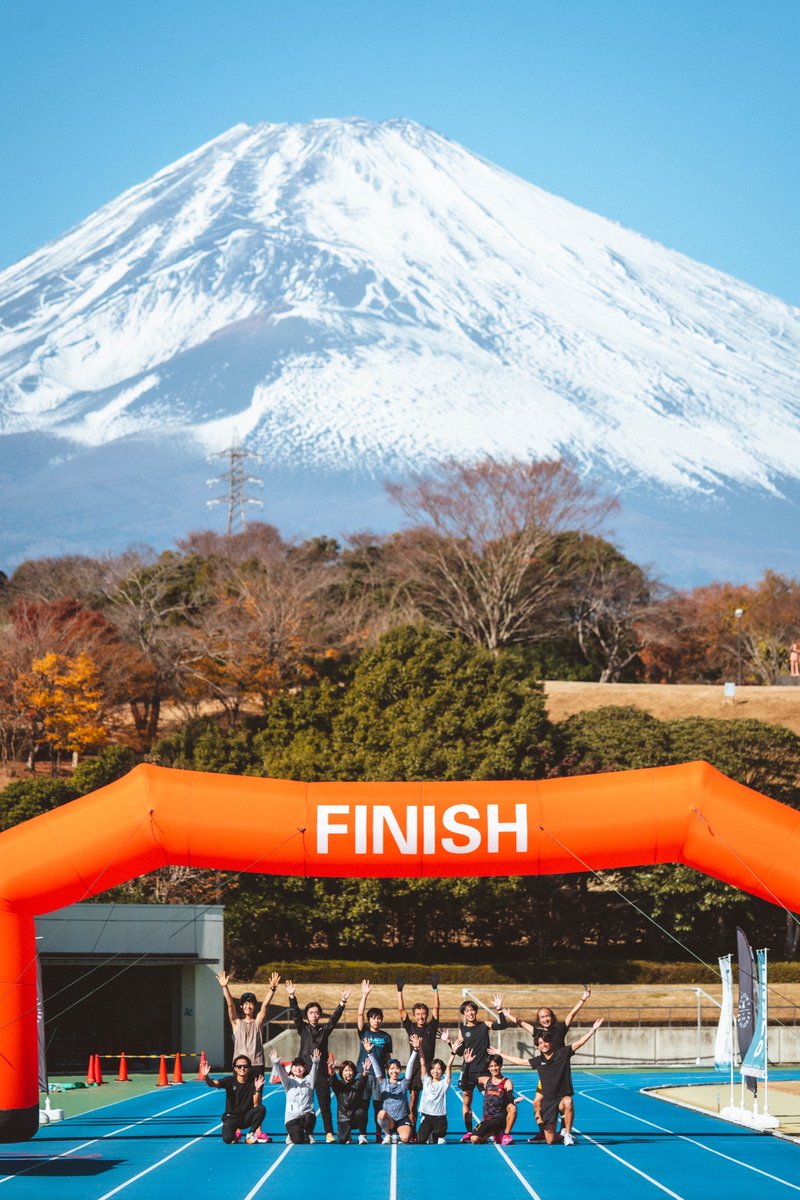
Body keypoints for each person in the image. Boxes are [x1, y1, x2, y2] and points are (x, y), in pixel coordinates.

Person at [502, 985, 591, 1141]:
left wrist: (583, 999)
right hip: (546, 1073)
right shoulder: (539, 1034)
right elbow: (523, 1024)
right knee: (536, 1102)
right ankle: (543, 1131)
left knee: (564, 1100)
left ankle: (564, 1131)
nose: (545, 1019)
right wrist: (509, 1016)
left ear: (552, 1017)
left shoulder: (560, 1029)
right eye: (542, 1017)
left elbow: (572, 1014)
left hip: (560, 1071)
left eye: (547, 1016)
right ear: (539, 1019)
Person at [497, 1018, 604, 1146]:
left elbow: (579, 1043)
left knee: (568, 1101)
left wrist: (593, 1030)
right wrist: (501, 1054)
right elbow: (519, 1061)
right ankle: (560, 1135)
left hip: (561, 1098)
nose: (543, 1044)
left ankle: (568, 1134)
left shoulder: (563, 1053)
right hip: (547, 1102)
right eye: (540, 1043)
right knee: (550, 1140)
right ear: (538, 1045)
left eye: (546, 1041)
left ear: (551, 1042)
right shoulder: (538, 1061)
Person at [286, 978, 351, 1143]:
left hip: (320, 1071)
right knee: (301, 1103)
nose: (314, 1016)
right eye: (311, 1013)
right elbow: (295, 1014)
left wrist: (342, 1002)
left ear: (319, 1014)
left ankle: (329, 1132)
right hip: (304, 1072)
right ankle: (300, 1130)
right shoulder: (303, 1028)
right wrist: (292, 996)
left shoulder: (324, 1030)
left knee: (324, 1103)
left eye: (316, 1013)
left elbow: (334, 1019)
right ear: (307, 1015)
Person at [447, 993, 507, 1141]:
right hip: (468, 1070)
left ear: (475, 1011)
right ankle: (469, 1131)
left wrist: (499, 1010)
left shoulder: (484, 1025)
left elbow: (502, 1025)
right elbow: (460, 1052)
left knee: (493, 1098)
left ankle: (496, 1130)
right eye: (467, 1011)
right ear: (464, 1014)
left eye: (472, 1010)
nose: (470, 1013)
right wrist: (450, 1043)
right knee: (466, 1100)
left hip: (483, 1070)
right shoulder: (462, 1030)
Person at [397, 974, 440, 1133]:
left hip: (429, 1066)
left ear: (426, 1015)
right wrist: (399, 990)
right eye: (418, 1014)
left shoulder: (432, 1027)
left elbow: (436, 1009)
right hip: (415, 1066)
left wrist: (435, 989)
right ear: (414, 1016)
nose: (421, 1017)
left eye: (423, 1014)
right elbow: (401, 1010)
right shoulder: (411, 1028)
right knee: (413, 1100)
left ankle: (430, 1129)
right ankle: (412, 1129)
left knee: (431, 1099)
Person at [216, 969, 280, 1068]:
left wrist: (272, 989)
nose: (248, 1006)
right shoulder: (236, 1022)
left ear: (254, 1006)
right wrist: (225, 987)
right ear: (241, 1006)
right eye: (245, 1003)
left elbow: (265, 1006)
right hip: (240, 1065)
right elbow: (230, 1006)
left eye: (251, 1004)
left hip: (257, 1064)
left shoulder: (258, 1022)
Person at [201, 1054, 270, 1144]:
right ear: (235, 1068)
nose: (242, 1068)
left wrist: (257, 1089)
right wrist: (206, 1076)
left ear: (249, 1068)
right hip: (231, 1118)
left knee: (261, 1108)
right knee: (228, 1139)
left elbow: (256, 1104)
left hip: (245, 1118)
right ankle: (233, 1134)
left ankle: (250, 1134)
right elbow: (212, 1084)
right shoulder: (229, 1080)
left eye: (245, 1066)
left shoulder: (253, 1082)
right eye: (239, 1066)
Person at [356, 978, 394, 1140]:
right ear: (369, 1019)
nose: (376, 1020)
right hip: (364, 1074)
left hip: (379, 1078)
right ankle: (363, 1134)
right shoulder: (364, 1032)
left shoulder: (386, 1036)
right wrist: (364, 995)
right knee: (363, 1106)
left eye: (379, 1018)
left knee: (379, 1107)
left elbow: (388, 1058)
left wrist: (390, 1074)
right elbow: (359, 1014)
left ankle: (380, 1135)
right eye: (373, 1017)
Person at [365, 1037, 418, 1144]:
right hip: (389, 1121)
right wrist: (369, 1053)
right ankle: (388, 1135)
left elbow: (410, 1067)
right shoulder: (383, 1083)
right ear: (388, 1071)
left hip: (402, 1119)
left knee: (406, 1139)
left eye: (397, 1068)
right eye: (392, 1068)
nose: (394, 1071)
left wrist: (415, 1050)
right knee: (381, 1113)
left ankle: (398, 1135)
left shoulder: (403, 1083)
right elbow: (376, 1068)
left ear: (400, 1070)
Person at [270, 1045, 320, 1144]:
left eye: (300, 1066)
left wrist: (315, 1063)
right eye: (295, 1066)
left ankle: (309, 1133)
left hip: (306, 1116)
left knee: (310, 1116)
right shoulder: (288, 1082)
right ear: (291, 1068)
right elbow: (281, 1074)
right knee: (298, 1141)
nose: (298, 1068)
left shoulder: (309, 1081)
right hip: (292, 1118)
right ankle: (292, 1133)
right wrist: (276, 1064)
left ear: (305, 1068)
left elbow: (314, 1072)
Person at [464, 1050, 515, 1145]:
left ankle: (506, 1135)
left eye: (496, 1065)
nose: (494, 1068)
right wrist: (467, 1064)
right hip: (487, 1119)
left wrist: (513, 1100)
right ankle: (495, 1133)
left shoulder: (507, 1082)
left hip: (500, 1118)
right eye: (491, 1066)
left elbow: (509, 1095)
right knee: (474, 1139)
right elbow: (466, 1081)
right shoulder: (485, 1080)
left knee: (512, 1107)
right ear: (488, 1068)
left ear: (500, 1066)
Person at [413, 1033, 456, 1144]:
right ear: (430, 1070)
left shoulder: (444, 1084)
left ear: (442, 1071)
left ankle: (436, 1132)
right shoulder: (426, 1080)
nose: (436, 1071)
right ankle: (427, 1130)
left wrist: (453, 1053)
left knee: (440, 1137)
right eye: (433, 1068)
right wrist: (420, 1047)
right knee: (421, 1140)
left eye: (438, 1069)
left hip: (439, 1117)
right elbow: (422, 1063)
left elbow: (449, 1066)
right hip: (427, 1116)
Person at [330, 1058, 371, 1144]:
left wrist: (365, 1071)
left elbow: (363, 1080)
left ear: (354, 1072)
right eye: (345, 1071)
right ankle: (346, 1134)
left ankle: (362, 1135)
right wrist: (332, 1070)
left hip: (355, 1116)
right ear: (341, 1072)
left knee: (361, 1112)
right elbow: (333, 1081)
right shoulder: (339, 1085)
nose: (348, 1073)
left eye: (350, 1070)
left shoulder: (357, 1083)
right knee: (342, 1140)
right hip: (343, 1117)